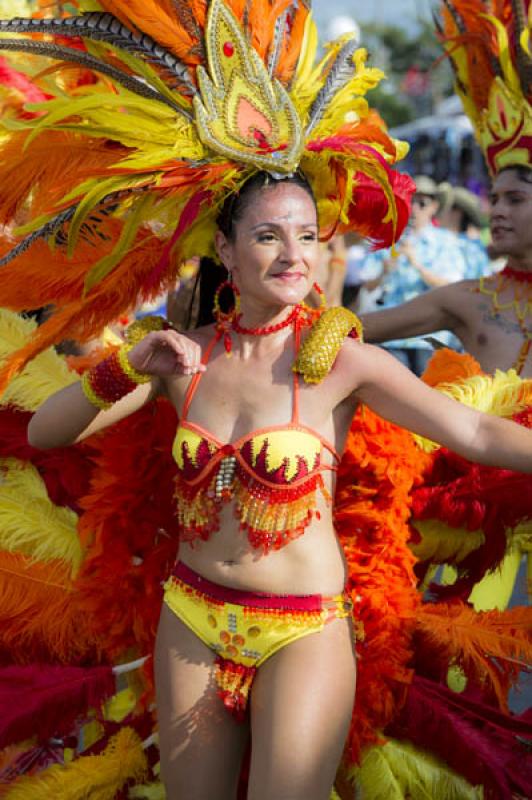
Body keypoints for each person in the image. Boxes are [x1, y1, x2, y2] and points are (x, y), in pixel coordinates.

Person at [26, 170, 532, 799]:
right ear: (226, 250)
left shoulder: (343, 362)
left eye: (308, 236)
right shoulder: (182, 358)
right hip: (192, 616)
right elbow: (46, 433)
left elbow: (477, 434)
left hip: (302, 629)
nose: (295, 256)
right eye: (269, 236)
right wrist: (128, 364)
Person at [360, 165, 532, 377]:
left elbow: (447, 280)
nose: (497, 211)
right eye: (494, 200)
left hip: (429, 348)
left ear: (434, 206)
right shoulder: (471, 298)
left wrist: (418, 266)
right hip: (396, 347)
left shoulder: (450, 244)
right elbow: (359, 325)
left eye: (515, 199)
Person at [359, 175, 469, 375]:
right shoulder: (386, 238)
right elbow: (366, 286)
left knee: (430, 399)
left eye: (422, 203)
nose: (414, 208)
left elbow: (451, 286)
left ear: (434, 206)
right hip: (390, 336)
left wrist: (416, 264)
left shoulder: (446, 242)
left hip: (429, 337)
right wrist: (384, 271)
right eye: (409, 201)